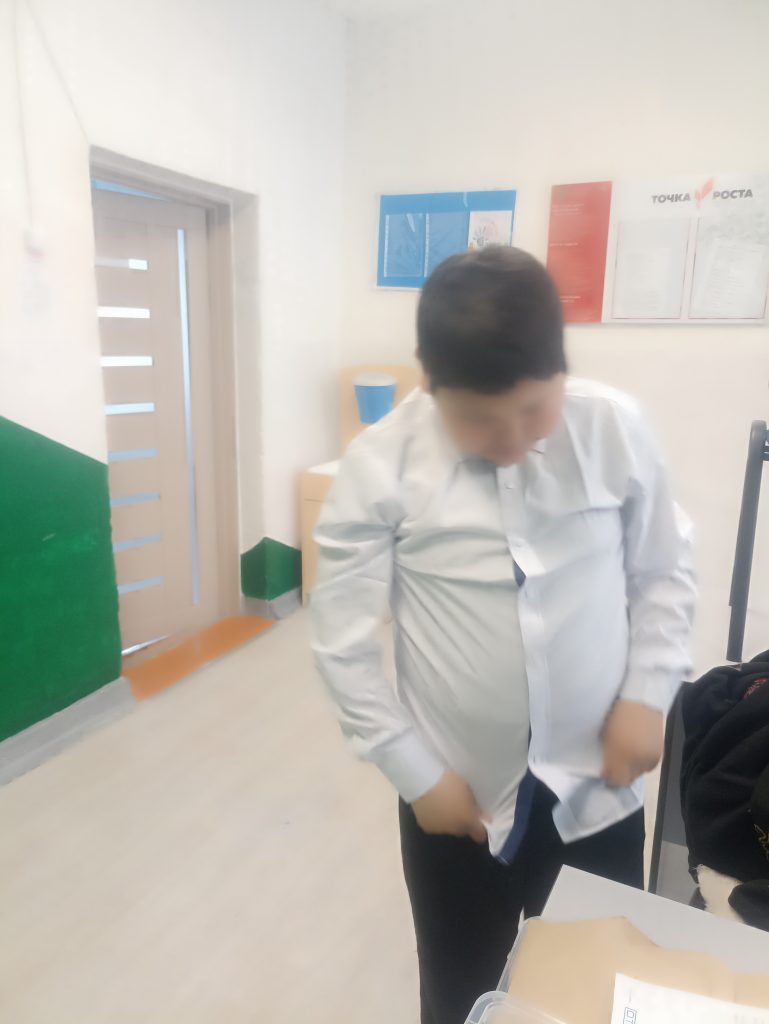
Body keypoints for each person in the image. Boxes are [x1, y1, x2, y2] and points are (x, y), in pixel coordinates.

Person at [311, 246, 695, 1024]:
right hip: (455, 804)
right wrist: (411, 768)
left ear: (561, 371)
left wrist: (648, 693)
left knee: (593, 997)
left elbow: (662, 572)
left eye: (532, 410)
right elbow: (341, 647)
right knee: (458, 996)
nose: (511, 438)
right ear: (428, 381)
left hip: (598, 789)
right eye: (477, 420)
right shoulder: (380, 464)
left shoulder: (613, 428)